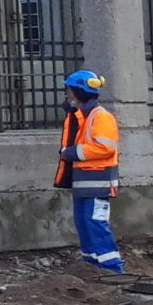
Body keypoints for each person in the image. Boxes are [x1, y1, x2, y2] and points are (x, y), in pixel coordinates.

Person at [55, 69, 125, 276]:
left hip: (98, 183)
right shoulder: (85, 116)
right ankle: (92, 268)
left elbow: (105, 147)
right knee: (85, 224)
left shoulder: (101, 117)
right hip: (86, 184)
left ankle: (113, 270)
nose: (68, 94)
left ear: (78, 91)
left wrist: (71, 153)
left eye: (70, 90)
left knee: (95, 225)